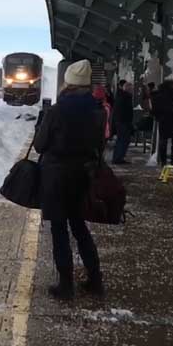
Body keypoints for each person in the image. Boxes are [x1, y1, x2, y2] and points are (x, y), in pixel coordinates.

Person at [34, 59, 105, 301]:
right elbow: (100, 144)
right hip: (83, 175)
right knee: (79, 227)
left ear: (69, 84)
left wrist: (40, 126)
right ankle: (95, 279)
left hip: (56, 176)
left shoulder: (56, 111)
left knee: (59, 228)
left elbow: (40, 145)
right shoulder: (98, 110)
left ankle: (66, 285)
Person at [112, 81, 134, 164]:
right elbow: (126, 111)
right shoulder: (126, 97)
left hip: (120, 121)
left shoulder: (120, 96)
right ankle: (118, 158)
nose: (132, 90)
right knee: (123, 140)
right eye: (131, 88)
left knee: (121, 140)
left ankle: (118, 157)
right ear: (128, 89)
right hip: (123, 122)